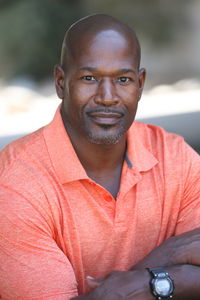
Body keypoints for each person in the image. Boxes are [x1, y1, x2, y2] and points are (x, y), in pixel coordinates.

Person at [0, 14, 200, 300]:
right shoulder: (16, 187)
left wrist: (145, 283)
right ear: (60, 82)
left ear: (140, 84)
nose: (107, 96)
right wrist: (169, 261)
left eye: (123, 79)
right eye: (89, 78)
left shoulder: (175, 156)